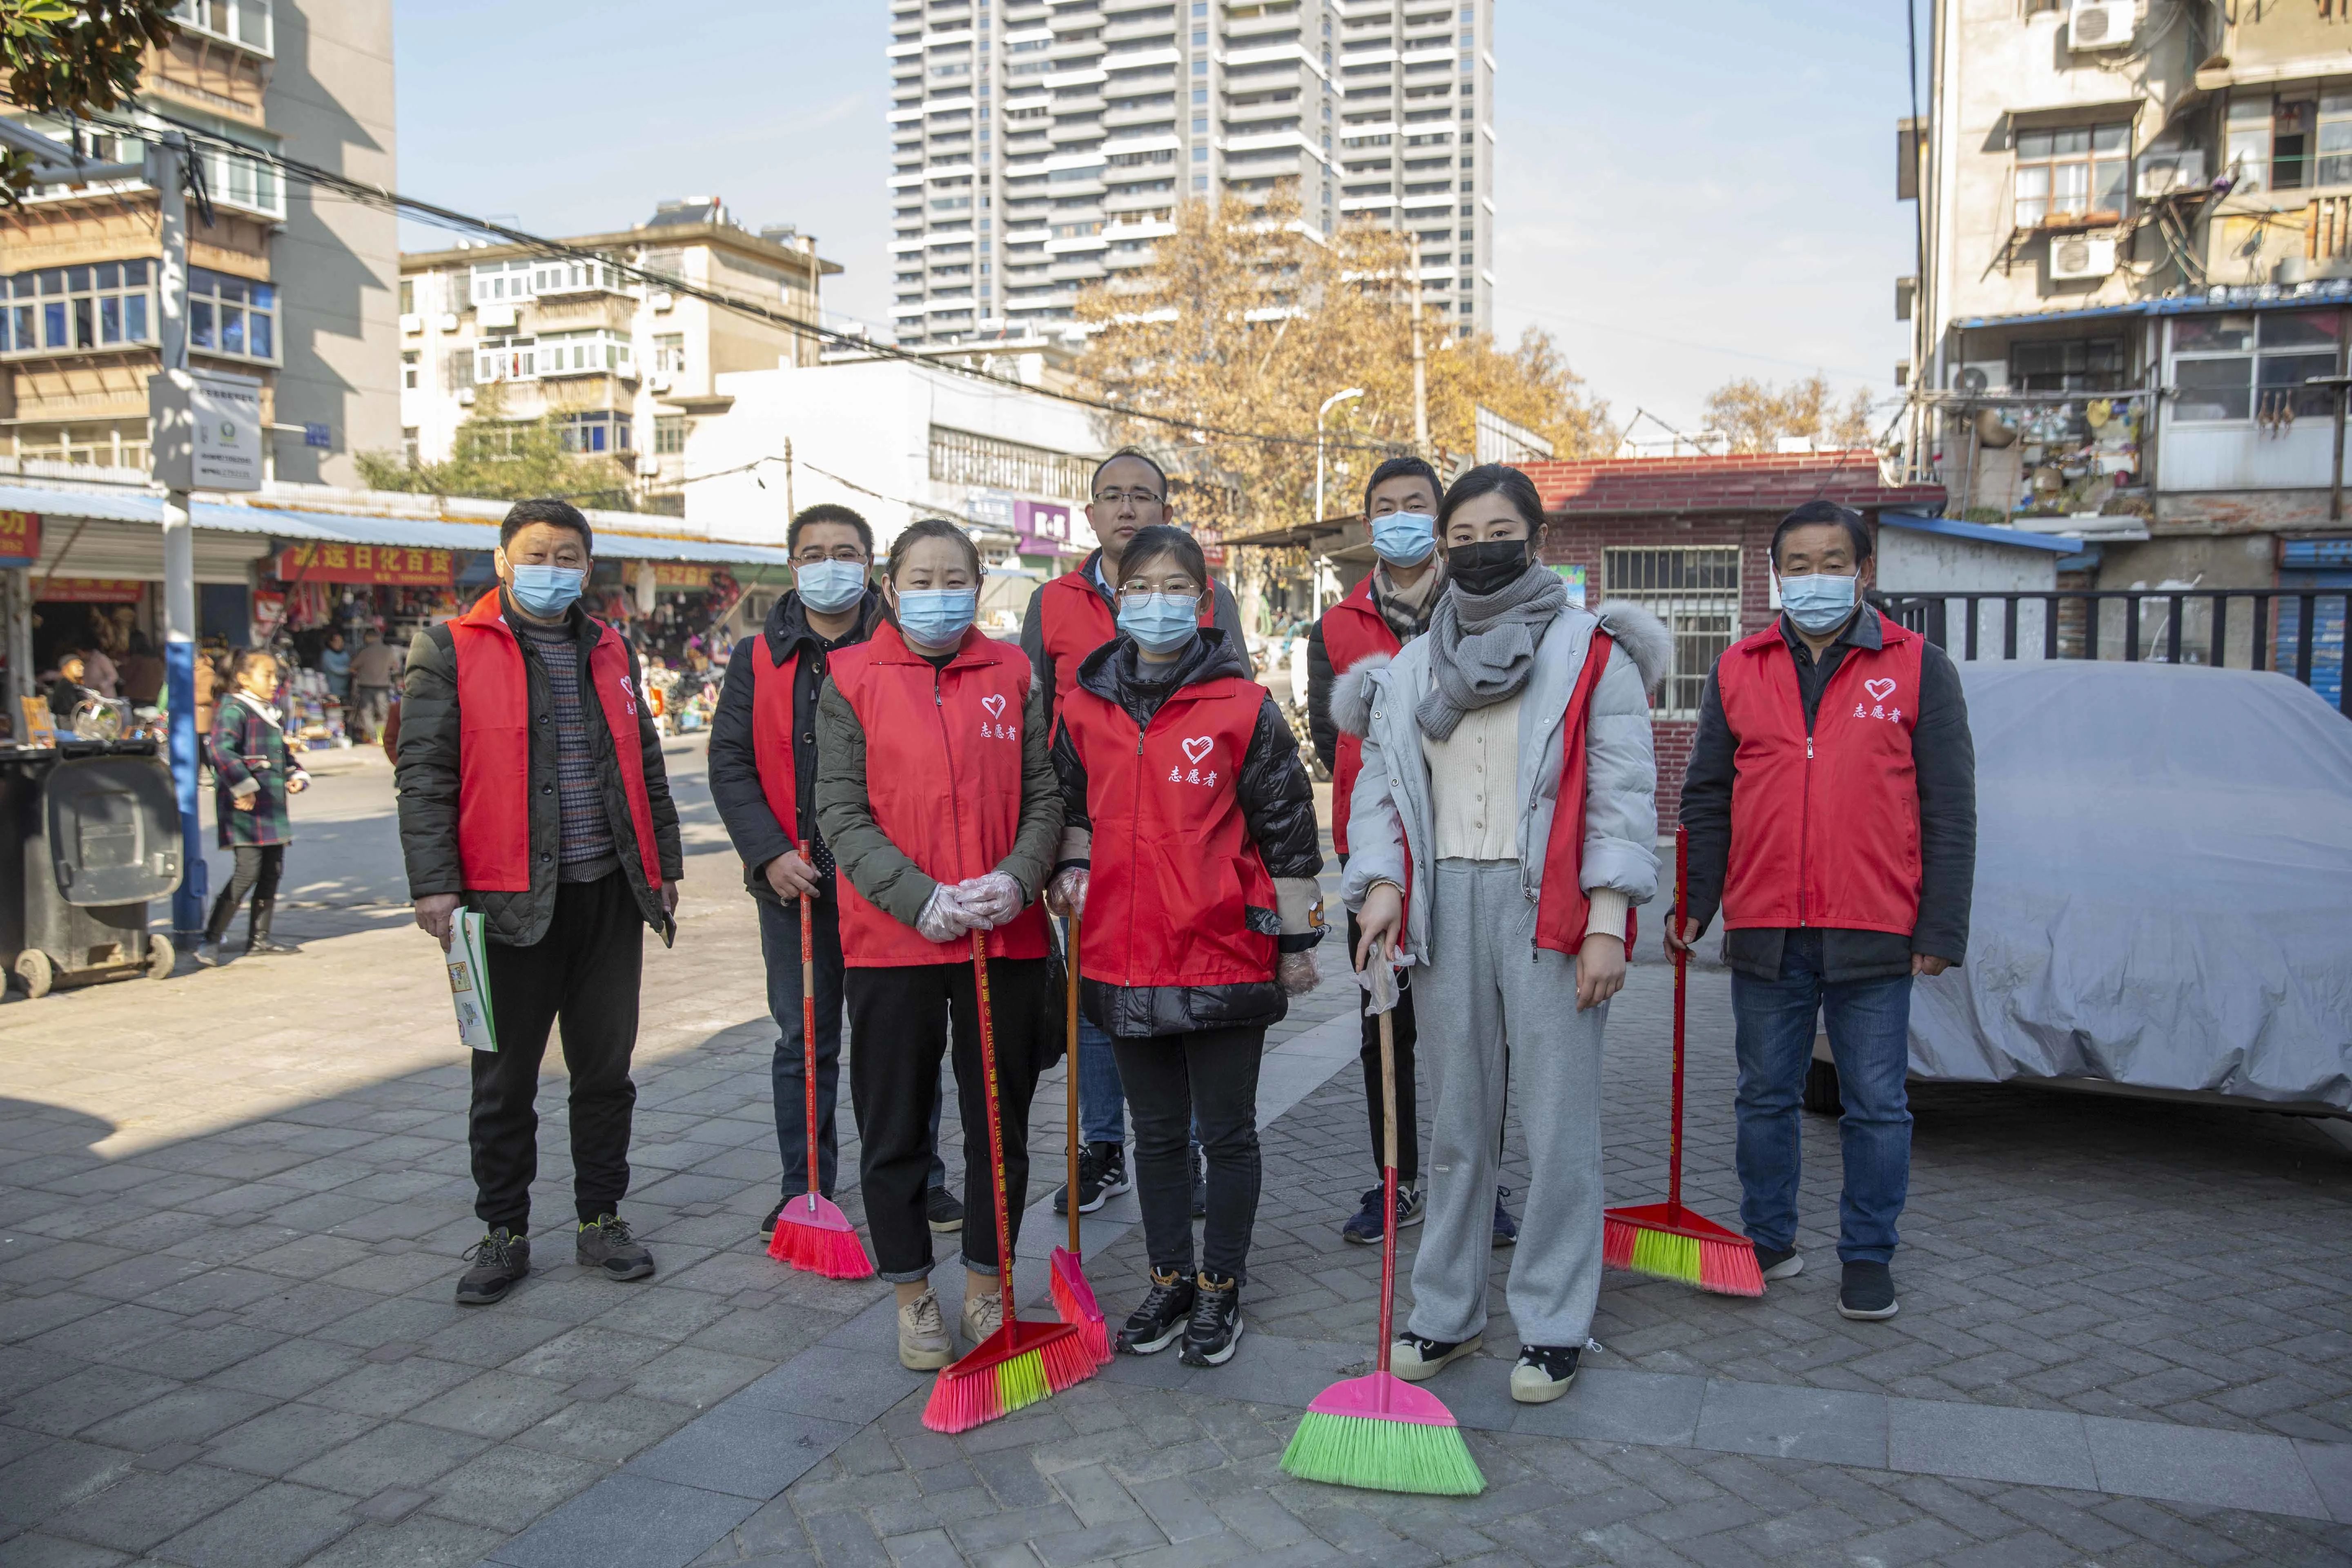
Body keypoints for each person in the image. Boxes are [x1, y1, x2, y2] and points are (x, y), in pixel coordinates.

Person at [1341, 463, 1666, 1405]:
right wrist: (1380, 885)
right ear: (1443, 549)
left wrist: (1606, 920)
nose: (1480, 546)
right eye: (1464, 533)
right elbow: (1379, 791)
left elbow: (1620, 792)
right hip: (1443, 902)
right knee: (1454, 1122)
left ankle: (1555, 1321)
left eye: (1500, 530)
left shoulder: (1587, 649)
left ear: (1533, 539)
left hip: (1547, 906)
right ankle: (1444, 1308)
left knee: (1556, 1120)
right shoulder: (1407, 667)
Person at [1669, 500, 1976, 1323]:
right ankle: (1770, 1237)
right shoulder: (1739, 667)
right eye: (1797, 564)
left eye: (1832, 561)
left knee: (1876, 1102)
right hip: (1768, 924)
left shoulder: (1917, 666)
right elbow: (1708, 796)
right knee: (1764, 1094)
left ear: (1864, 571)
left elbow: (1950, 807)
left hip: (1877, 925)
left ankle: (1869, 1254)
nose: (1814, 578)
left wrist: (1941, 926)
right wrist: (1694, 904)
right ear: (1777, 575)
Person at [396, 498, 685, 1307]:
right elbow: (423, 775)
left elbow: (647, 765)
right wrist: (434, 885)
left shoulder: (610, 649)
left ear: (588, 569)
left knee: (605, 1071)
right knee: (502, 1079)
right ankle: (504, 1230)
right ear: (501, 560)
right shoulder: (448, 649)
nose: (552, 569)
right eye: (537, 554)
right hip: (498, 905)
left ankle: (602, 1218)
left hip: (608, 897)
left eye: (569, 557)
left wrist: (661, 864)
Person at [1048, 524, 1322, 1367]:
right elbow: (1066, 810)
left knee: (1226, 1136)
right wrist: (1069, 864)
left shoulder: (1242, 706)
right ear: (1116, 598)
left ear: (1202, 603)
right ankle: (1169, 1278)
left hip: (1223, 952)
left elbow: (1290, 831)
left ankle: (1220, 1287)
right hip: (1120, 955)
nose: (1158, 603)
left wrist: (1298, 939)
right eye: (1142, 587)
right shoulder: (1082, 706)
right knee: (1156, 1137)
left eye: (1177, 588)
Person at [815, 518, 1062, 1372]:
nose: (939, 591)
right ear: (889, 587)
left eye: (955, 576)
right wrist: (919, 899)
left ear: (980, 582)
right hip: (894, 943)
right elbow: (840, 814)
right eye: (921, 578)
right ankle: (914, 1295)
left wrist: (1018, 879)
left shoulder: (1015, 670)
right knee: (894, 1128)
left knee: (1003, 1128)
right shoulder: (850, 678)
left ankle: (989, 1282)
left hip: (1005, 939)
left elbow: (1045, 795)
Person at [710, 504, 964, 1241]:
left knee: (905, 1041)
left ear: (870, 565)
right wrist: (768, 853)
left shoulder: (905, 648)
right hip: (799, 883)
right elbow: (730, 763)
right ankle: (806, 1185)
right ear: (793, 565)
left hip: (887, 883)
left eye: (846, 552)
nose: (830, 564)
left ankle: (925, 1179)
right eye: (814, 552)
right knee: (804, 1041)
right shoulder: (756, 657)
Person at [1021, 451, 1246, 1218]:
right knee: (1100, 994)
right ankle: (1104, 1146)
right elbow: (1035, 716)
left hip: (1187, 839)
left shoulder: (1206, 598)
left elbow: (1235, 715)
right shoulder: (1052, 601)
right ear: (1090, 515)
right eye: (1112, 497)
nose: (1127, 509)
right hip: (1093, 829)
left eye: (1142, 496)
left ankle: (1177, 1150)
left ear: (1166, 509)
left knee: (1175, 991)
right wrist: (1056, 840)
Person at [1309, 454, 1513, 1251]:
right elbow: (1342, 749)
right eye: (1385, 506)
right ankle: (1395, 1178)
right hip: (1378, 861)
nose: (1400, 517)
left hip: (1467, 845)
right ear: (1369, 523)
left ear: (1439, 518)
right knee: (1383, 1030)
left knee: (1474, 1033)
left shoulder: (1481, 604)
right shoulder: (1334, 625)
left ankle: (1480, 1185)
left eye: (1416, 504)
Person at [197, 649, 310, 965]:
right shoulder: (235, 709)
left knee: (272, 871)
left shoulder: (268, 711)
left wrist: (296, 775)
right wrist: (243, 786)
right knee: (247, 872)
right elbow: (221, 751)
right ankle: (210, 938)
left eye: (277, 676)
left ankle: (260, 938)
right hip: (245, 809)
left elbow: (282, 755)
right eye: (268, 675)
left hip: (271, 806)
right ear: (245, 679)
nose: (275, 682)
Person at [348, 626, 399, 744]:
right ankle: (389, 736)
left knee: (367, 713)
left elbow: (352, 668)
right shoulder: (389, 651)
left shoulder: (365, 652)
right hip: (384, 686)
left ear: (369, 637)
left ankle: (374, 737)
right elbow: (395, 667)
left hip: (366, 686)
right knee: (385, 712)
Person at [47, 653, 96, 726]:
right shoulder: (65, 685)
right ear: (66, 668)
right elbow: (67, 710)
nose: (81, 668)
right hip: (69, 724)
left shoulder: (75, 685)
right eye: (76, 666)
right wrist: (84, 706)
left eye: (81, 665)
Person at [318, 630, 352, 713]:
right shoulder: (327, 655)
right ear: (331, 642)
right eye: (337, 641)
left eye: (341, 641)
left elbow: (350, 664)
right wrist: (349, 670)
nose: (340, 644)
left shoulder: (345, 654)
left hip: (346, 690)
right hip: (332, 690)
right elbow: (335, 669)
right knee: (334, 712)